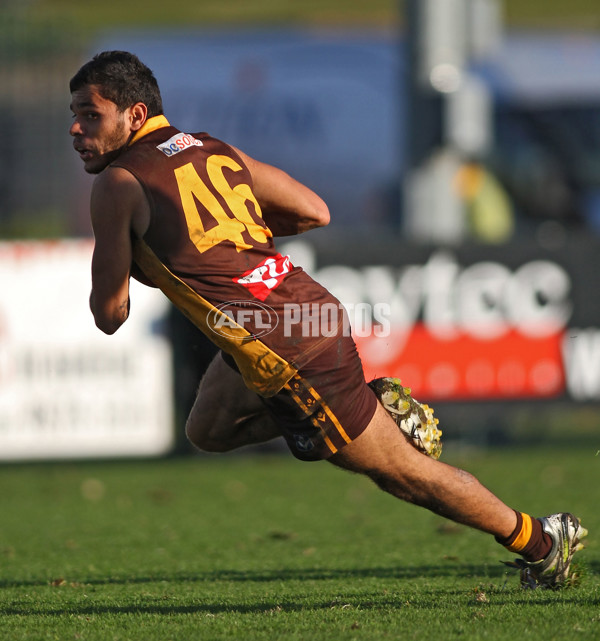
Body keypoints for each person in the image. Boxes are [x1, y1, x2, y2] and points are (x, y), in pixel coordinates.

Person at [69, 51, 586, 589]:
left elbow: (110, 315)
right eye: (74, 114)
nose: (76, 127)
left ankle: (542, 541)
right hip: (295, 312)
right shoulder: (210, 147)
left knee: (404, 475)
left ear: (134, 115)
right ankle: (371, 403)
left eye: (90, 114)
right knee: (208, 430)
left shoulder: (118, 184)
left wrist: (131, 264)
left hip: (282, 345)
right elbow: (314, 210)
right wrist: (232, 243)